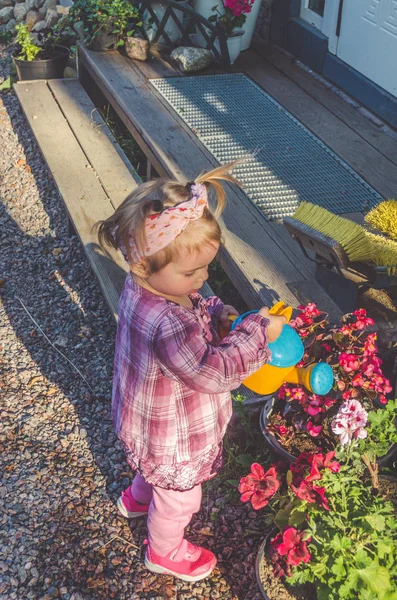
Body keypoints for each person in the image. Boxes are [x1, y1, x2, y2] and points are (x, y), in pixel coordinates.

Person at [96, 162, 286, 583]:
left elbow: (193, 302)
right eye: (192, 272)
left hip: (147, 420)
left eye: (206, 270)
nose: (202, 280)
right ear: (144, 265)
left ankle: (138, 498)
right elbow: (215, 372)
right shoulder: (170, 323)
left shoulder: (144, 284)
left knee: (155, 471)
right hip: (175, 435)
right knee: (181, 499)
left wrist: (218, 311)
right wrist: (257, 331)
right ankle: (163, 551)